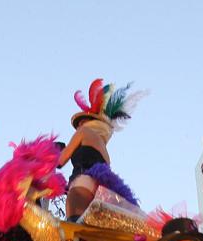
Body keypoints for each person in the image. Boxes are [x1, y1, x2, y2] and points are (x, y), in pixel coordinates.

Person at [56, 79, 140, 219]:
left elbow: (60, 161)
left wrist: (51, 151)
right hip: (100, 192)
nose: (78, 126)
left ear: (88, 122)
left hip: (81, 184)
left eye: (81, 122)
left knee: (74, 228)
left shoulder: (83, 133)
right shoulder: (104, 150)